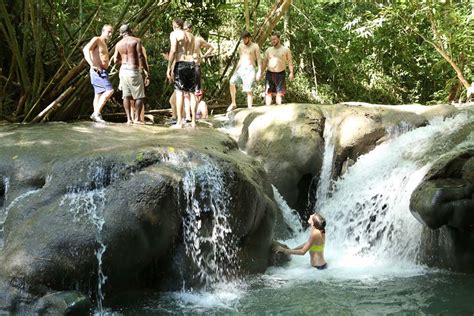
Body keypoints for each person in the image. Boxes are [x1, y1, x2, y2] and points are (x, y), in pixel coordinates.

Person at [114, 24, 149, 124]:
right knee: (139, 96)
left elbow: (116, 60)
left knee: (126, 96)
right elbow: (140, 56)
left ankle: (129, 119)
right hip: (133, 70)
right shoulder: (136, 40)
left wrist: (124, 62)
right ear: (131, 31)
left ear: (121, 33)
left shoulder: (118, 44)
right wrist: (144, 70)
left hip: (123, 71)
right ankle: (137, 119)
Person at [167, 18, 196, 128]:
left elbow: (173, 50)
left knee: (179, 93)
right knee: (191, 93)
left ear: (174, 25)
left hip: (181, 64)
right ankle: (193, 121)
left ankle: (179, 121)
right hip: (191, 63)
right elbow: (192, 51)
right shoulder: (191, 36)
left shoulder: (174, 34)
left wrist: (169, 67)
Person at [83, 24, 114, 123]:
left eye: (111, 32)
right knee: (109, 90)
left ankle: (96, 115)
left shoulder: (104, 43)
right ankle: (96, 113)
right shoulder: (97, 39)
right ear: (103, 31)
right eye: (108, 32)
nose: (110, 34)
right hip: (97, 71)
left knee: (98, 93)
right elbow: (85, 49)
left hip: (102, 71)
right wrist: (91, 64)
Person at [227, 31, 261, 112]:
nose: (244, 40)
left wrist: (259, 71)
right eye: (243, 39)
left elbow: (259, 59)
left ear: (249, 38)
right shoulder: (241, 46)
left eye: (245, 38)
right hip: (241, 68)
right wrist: (235, 70)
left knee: (248, 89)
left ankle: (249, 108)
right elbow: (241, 59)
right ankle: (233, 103)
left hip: (250, 68)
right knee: (231, 81)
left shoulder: (255, 46)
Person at [261, 33, 294, 106]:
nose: (272, 41)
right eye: (271, 40)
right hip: (269, 73)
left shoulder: (286, 50)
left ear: (279, 39)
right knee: (268, 93)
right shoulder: (269, 50)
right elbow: (264, 62)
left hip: (280, 74)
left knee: (279, 93)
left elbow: (290, 62)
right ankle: (267, 109)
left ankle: (278, 110)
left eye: (274, 39)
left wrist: (291, 73)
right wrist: (261, 73)